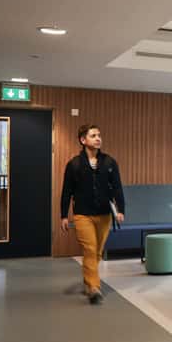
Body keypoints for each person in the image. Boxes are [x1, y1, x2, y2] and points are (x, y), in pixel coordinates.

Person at [60, 124, 125, 304]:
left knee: (96, 251)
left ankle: (89, 280)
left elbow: (118, 188)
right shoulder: (74, 164)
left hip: (104, 214)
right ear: (83, 140)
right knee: (89, 249)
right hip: (82, 214)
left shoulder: (110, 162)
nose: (98, 138)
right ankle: (95, 288)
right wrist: (64, 215)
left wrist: (121, 210)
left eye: (99, 135)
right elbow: (67, 191)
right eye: (93, 135)